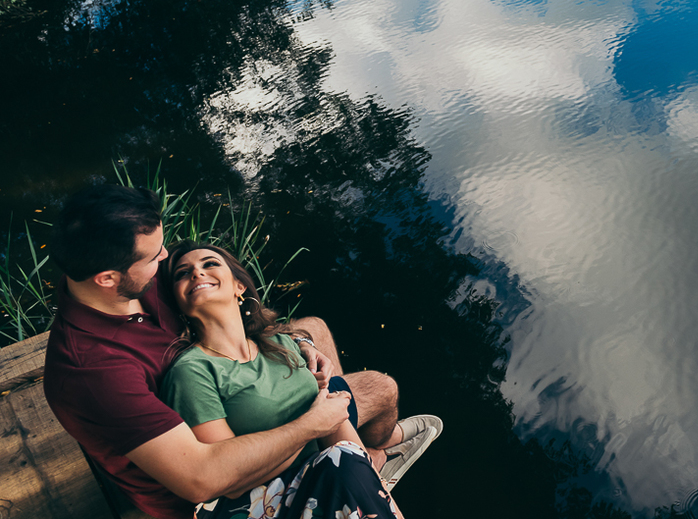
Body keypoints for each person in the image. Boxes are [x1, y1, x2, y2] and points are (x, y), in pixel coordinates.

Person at [42, 184, 439, 519]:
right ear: (108, 278)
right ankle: (362, 470)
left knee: (317, 333)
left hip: (242, 406)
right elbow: (202, 478)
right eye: (154, 257)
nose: (166, 259)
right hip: (213, 485)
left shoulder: (134, 272)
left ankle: (370, 458)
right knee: (357, 435)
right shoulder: (91, 372)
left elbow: (219, 296)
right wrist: (314, 425)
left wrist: (302, 347)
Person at [161, 241, 439, 519]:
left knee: (345, 446)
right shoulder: (191, 371)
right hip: (260, 500)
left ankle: (373, 468)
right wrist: (313, 426)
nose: (196, 273)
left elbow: (334, 427)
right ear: (178, 303)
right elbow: (228, 480)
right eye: (182, 274)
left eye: (210, 264)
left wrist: (384, 499)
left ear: (239, 286)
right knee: (340, 462)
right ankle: (376, 462)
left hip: (327, 471)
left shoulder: (279, 343)